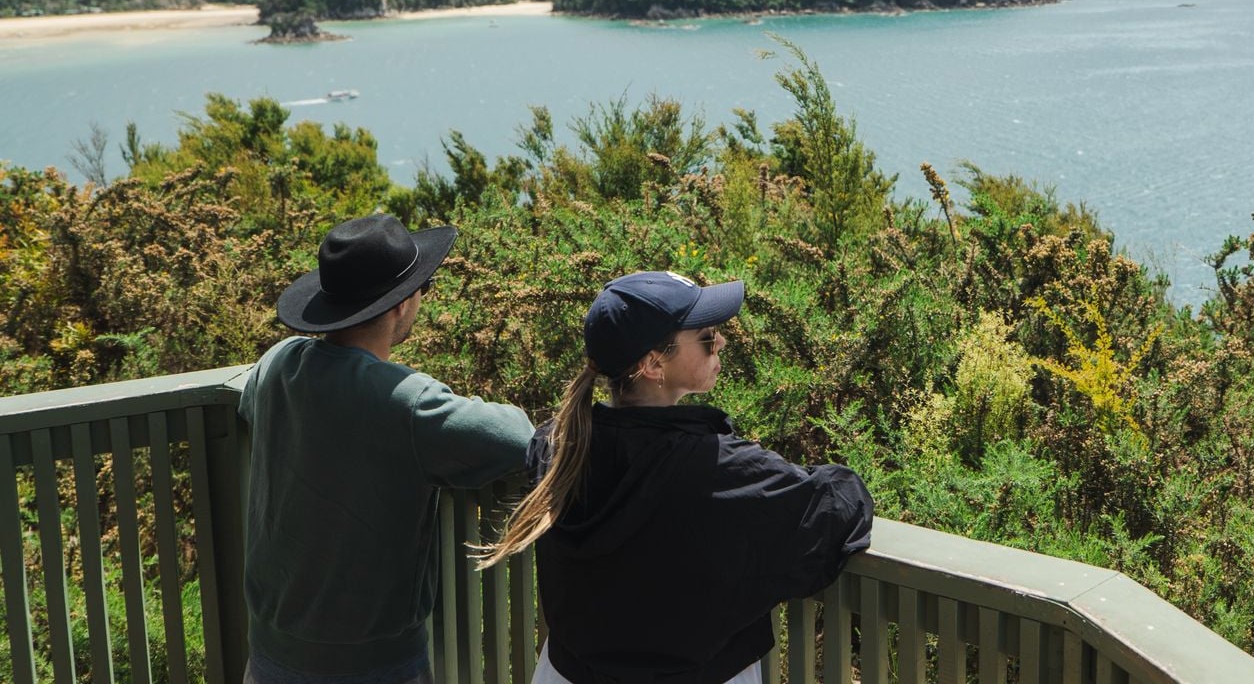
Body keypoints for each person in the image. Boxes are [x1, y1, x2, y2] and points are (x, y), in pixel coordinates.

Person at [480, 270, 874, 684]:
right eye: (706, 336)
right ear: (653, 364)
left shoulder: (558, 446)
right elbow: (840, 503)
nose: (720, 341)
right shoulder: (718, 467)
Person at [240, 214, 535, 684]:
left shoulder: (278, 364)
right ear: (400, 306)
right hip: (371, 665)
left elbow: (250, 400)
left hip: (270, 652)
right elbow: (517, 437)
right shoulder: (409, 402)